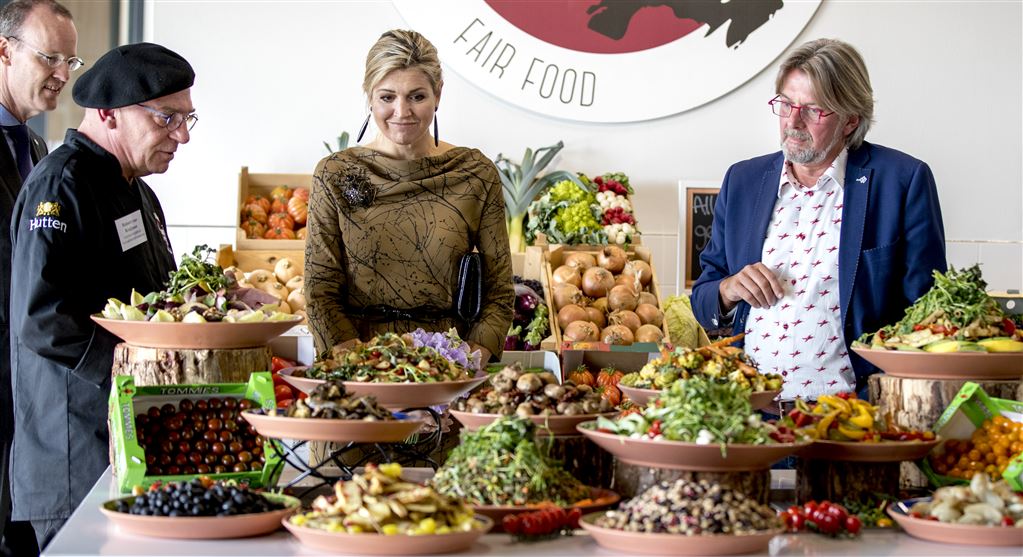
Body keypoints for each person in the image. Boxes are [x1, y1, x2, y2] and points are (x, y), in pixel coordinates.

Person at [7, 42, 195, 550]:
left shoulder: (138, 190)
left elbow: (154, 299)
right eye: (167, 118)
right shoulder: (61, 184)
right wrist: (132, 369)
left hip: (129, 437)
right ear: (110, 113)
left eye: (187, 119)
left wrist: (214, 300)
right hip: (76, 450)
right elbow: (42, 317)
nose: (181, 135)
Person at [691, 38, 945, 402]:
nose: (793, 122)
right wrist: (729, 289)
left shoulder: (901, 181)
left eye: (813, 110)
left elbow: (927, 313)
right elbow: (703, 298)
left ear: (850, 120)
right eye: (785, 104)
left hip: (855, 413)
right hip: (751, 412)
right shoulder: (743, 181)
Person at [305, 29, 514, 364]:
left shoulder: (474, 173)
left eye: (417, 97)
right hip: (359, 361)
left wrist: (465, 364)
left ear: (438, 95)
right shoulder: (334, 174)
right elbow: (320, 290)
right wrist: (362, 367)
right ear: (369, 96)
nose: (402, 112)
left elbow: (499, 292)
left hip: (449, 360)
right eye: (387, 97)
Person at [0, 1, 78, 554]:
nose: (62, 74)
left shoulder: (33, 145)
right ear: (3, 51)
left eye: (70, 61)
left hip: (25, 375)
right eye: (50, 57)